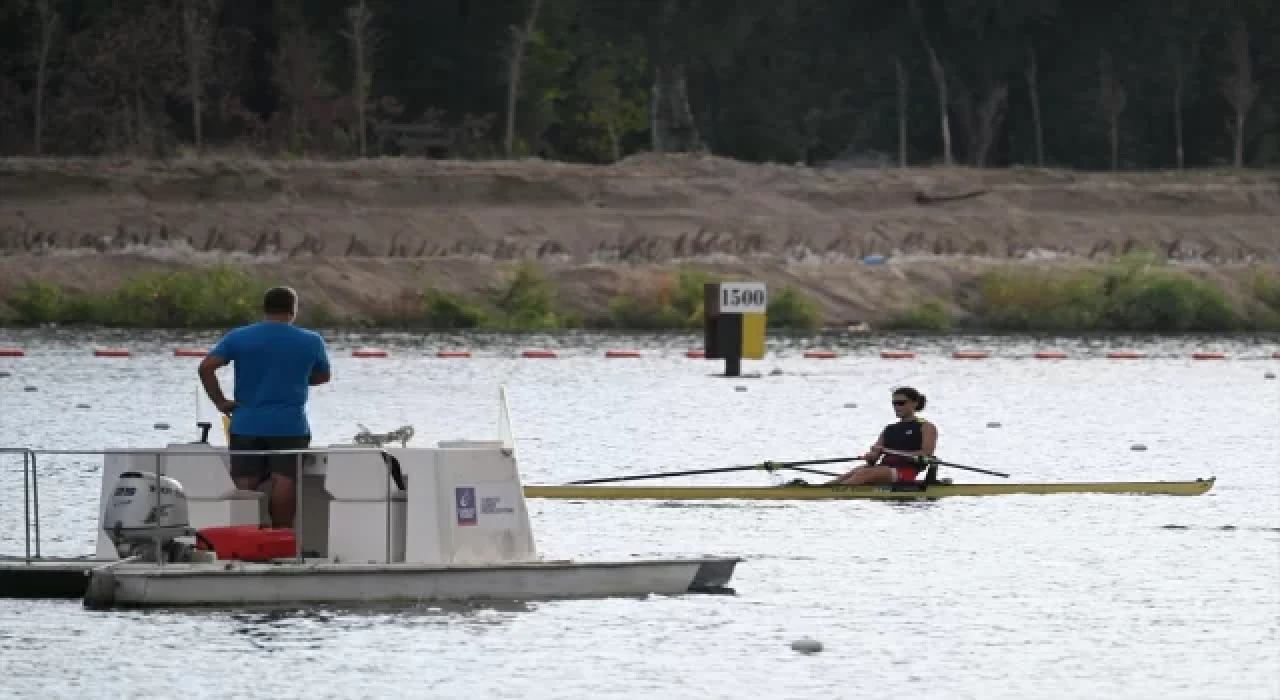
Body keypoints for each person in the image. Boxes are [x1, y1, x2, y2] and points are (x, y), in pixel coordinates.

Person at [197, 286, 331, 528]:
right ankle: (281, 538)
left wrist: (220, 401)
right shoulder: (311, 341)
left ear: (265, 308)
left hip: (246, 424)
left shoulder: (239, 337)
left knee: (244, 484)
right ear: (293, 310)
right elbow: (323, 376)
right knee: (285, 482)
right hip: (290, 427)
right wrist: (299, 378)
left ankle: (244, 536)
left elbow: (206, 367)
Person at [830, 387, 937, 486]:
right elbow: (873, 460)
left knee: (864, 473)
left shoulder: (926, 427)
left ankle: (832, 493)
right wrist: (871, 456)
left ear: (915, 403)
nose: (896, 407)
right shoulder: (889, 429)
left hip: (906, 472)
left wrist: (887, 450)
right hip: (884, 470)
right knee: (854, 472)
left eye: (901, 403)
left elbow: (926, 455)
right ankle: (822, 490)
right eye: (894, 403)